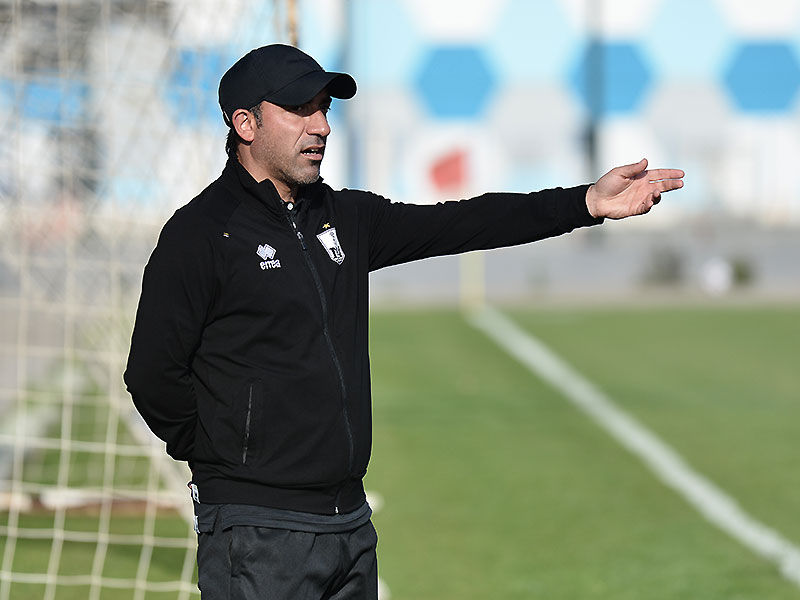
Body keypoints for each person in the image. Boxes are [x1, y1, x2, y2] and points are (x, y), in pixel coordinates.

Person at [124, 44, 684, 599]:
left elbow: (465, 222)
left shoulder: (344, 217)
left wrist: (585, 203)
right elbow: (152, 375)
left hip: (349, 526)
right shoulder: (202, 233)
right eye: (299, 110)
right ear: (246, 123)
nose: (320, 126)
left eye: (324, 109)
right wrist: (231, 458)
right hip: (257, 531)